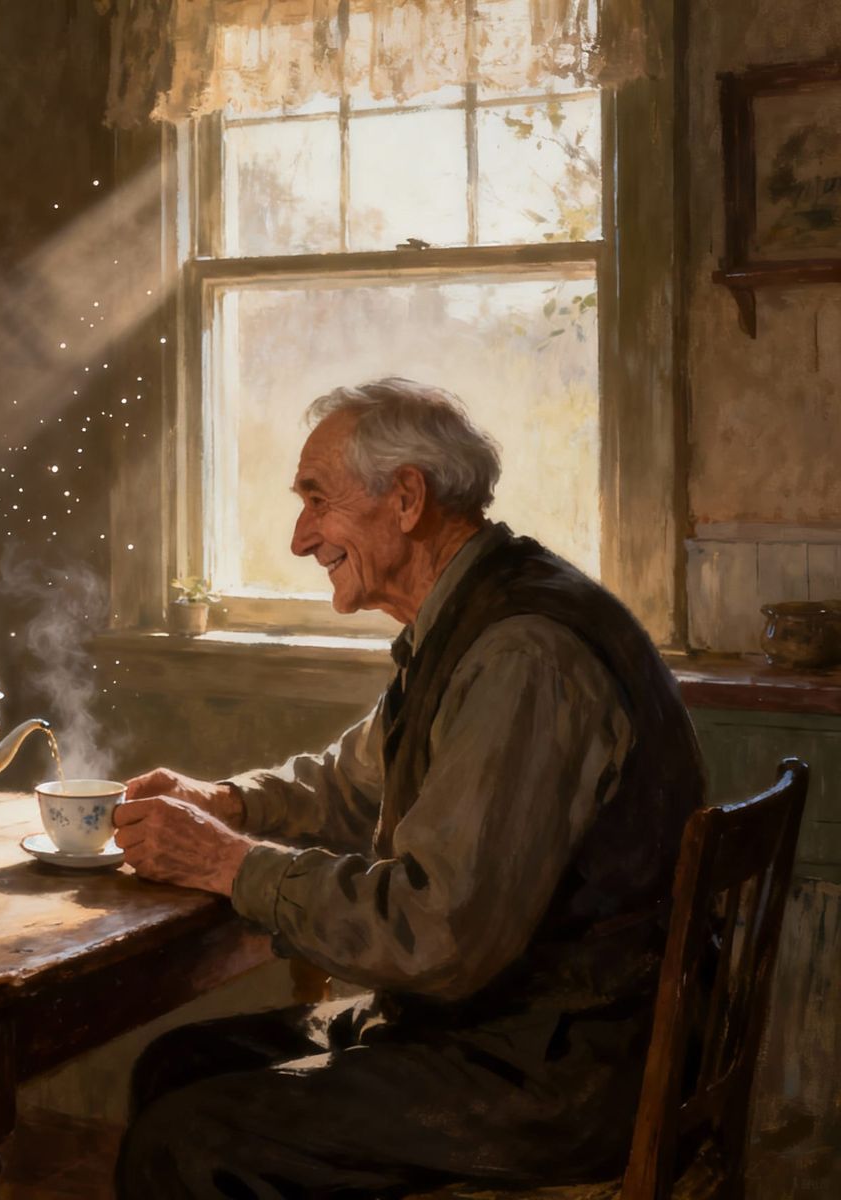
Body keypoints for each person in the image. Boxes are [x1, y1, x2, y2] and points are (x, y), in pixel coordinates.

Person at [112, 378, 704, 1198]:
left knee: (188, 1141)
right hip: (506, 1036)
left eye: (317, 500)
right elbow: (356, 785)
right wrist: (231, 801)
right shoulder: (469, 615)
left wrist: (229, 865)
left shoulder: (522, 657)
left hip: (552, 1079)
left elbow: (437, 933)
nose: (298, 536)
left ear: (406, 499)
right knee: (178, 1066)